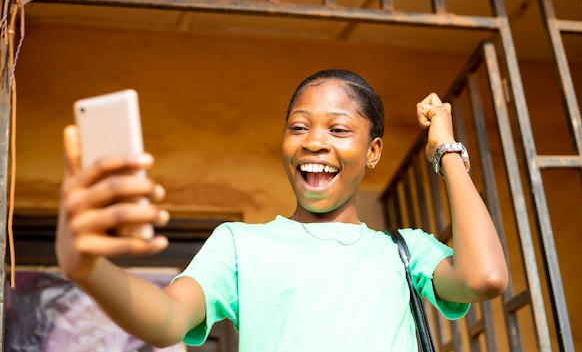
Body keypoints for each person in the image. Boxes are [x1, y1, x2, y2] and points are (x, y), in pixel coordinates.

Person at [56, 69, 508, 351]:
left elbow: (485, 278)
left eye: (338, 129)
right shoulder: (239, 244)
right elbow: (166, 320)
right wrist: (88, 269)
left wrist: (445, 151)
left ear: (373, 151)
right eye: (298, 126)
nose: (314, 141)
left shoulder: (403, 250)